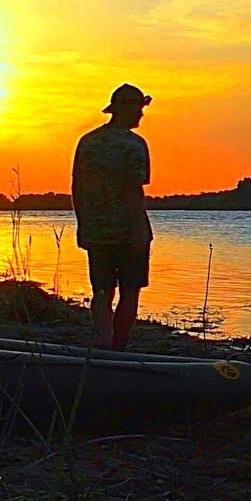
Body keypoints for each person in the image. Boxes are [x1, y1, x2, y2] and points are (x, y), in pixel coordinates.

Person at [70, 83, 153, 351]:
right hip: (128, 231)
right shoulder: (135, 145)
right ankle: (117, 348)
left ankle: (104, 346)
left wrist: (82, 224)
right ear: (124, 109)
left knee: (102, 291)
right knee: (130, 291)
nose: (141, 114)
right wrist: (140, 232)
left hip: (96, 230)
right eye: (139, 108)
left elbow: (77, 188)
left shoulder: (87, 142)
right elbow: (133, 191)